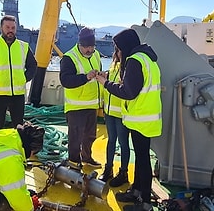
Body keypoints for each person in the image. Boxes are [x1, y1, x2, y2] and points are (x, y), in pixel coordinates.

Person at [96, 28, 162, 211]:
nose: (117, 53)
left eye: (118, 48)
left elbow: (128, 92)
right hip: (147, 117)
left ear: (124, 46)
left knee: (142, 161)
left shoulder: (134, 61)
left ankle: (145, 203)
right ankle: (137, 191)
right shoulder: (148, 59)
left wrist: (106, 84)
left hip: (140, 118)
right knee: (142, 158)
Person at [59, 27, 103, 168]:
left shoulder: (96, 55)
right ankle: (74, 161)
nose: (89, 50)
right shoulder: (69, 58)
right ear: (79, 44)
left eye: (91, 46)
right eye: (85, 47)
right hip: (76, 106)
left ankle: (87, 157)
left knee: (90, 135)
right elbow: (65, 81)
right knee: (75, 138)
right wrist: (85, 77)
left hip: (92, 105)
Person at [98, 52, 130, 187]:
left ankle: (123, 173)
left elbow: (126, 90)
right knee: (111, 141)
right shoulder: (113, 66)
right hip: (109, 111)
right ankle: (108, 169)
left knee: (123, 143)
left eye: (119, 50)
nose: (117, 53)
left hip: (121, 113)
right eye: (116, 50)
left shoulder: (128, 67)